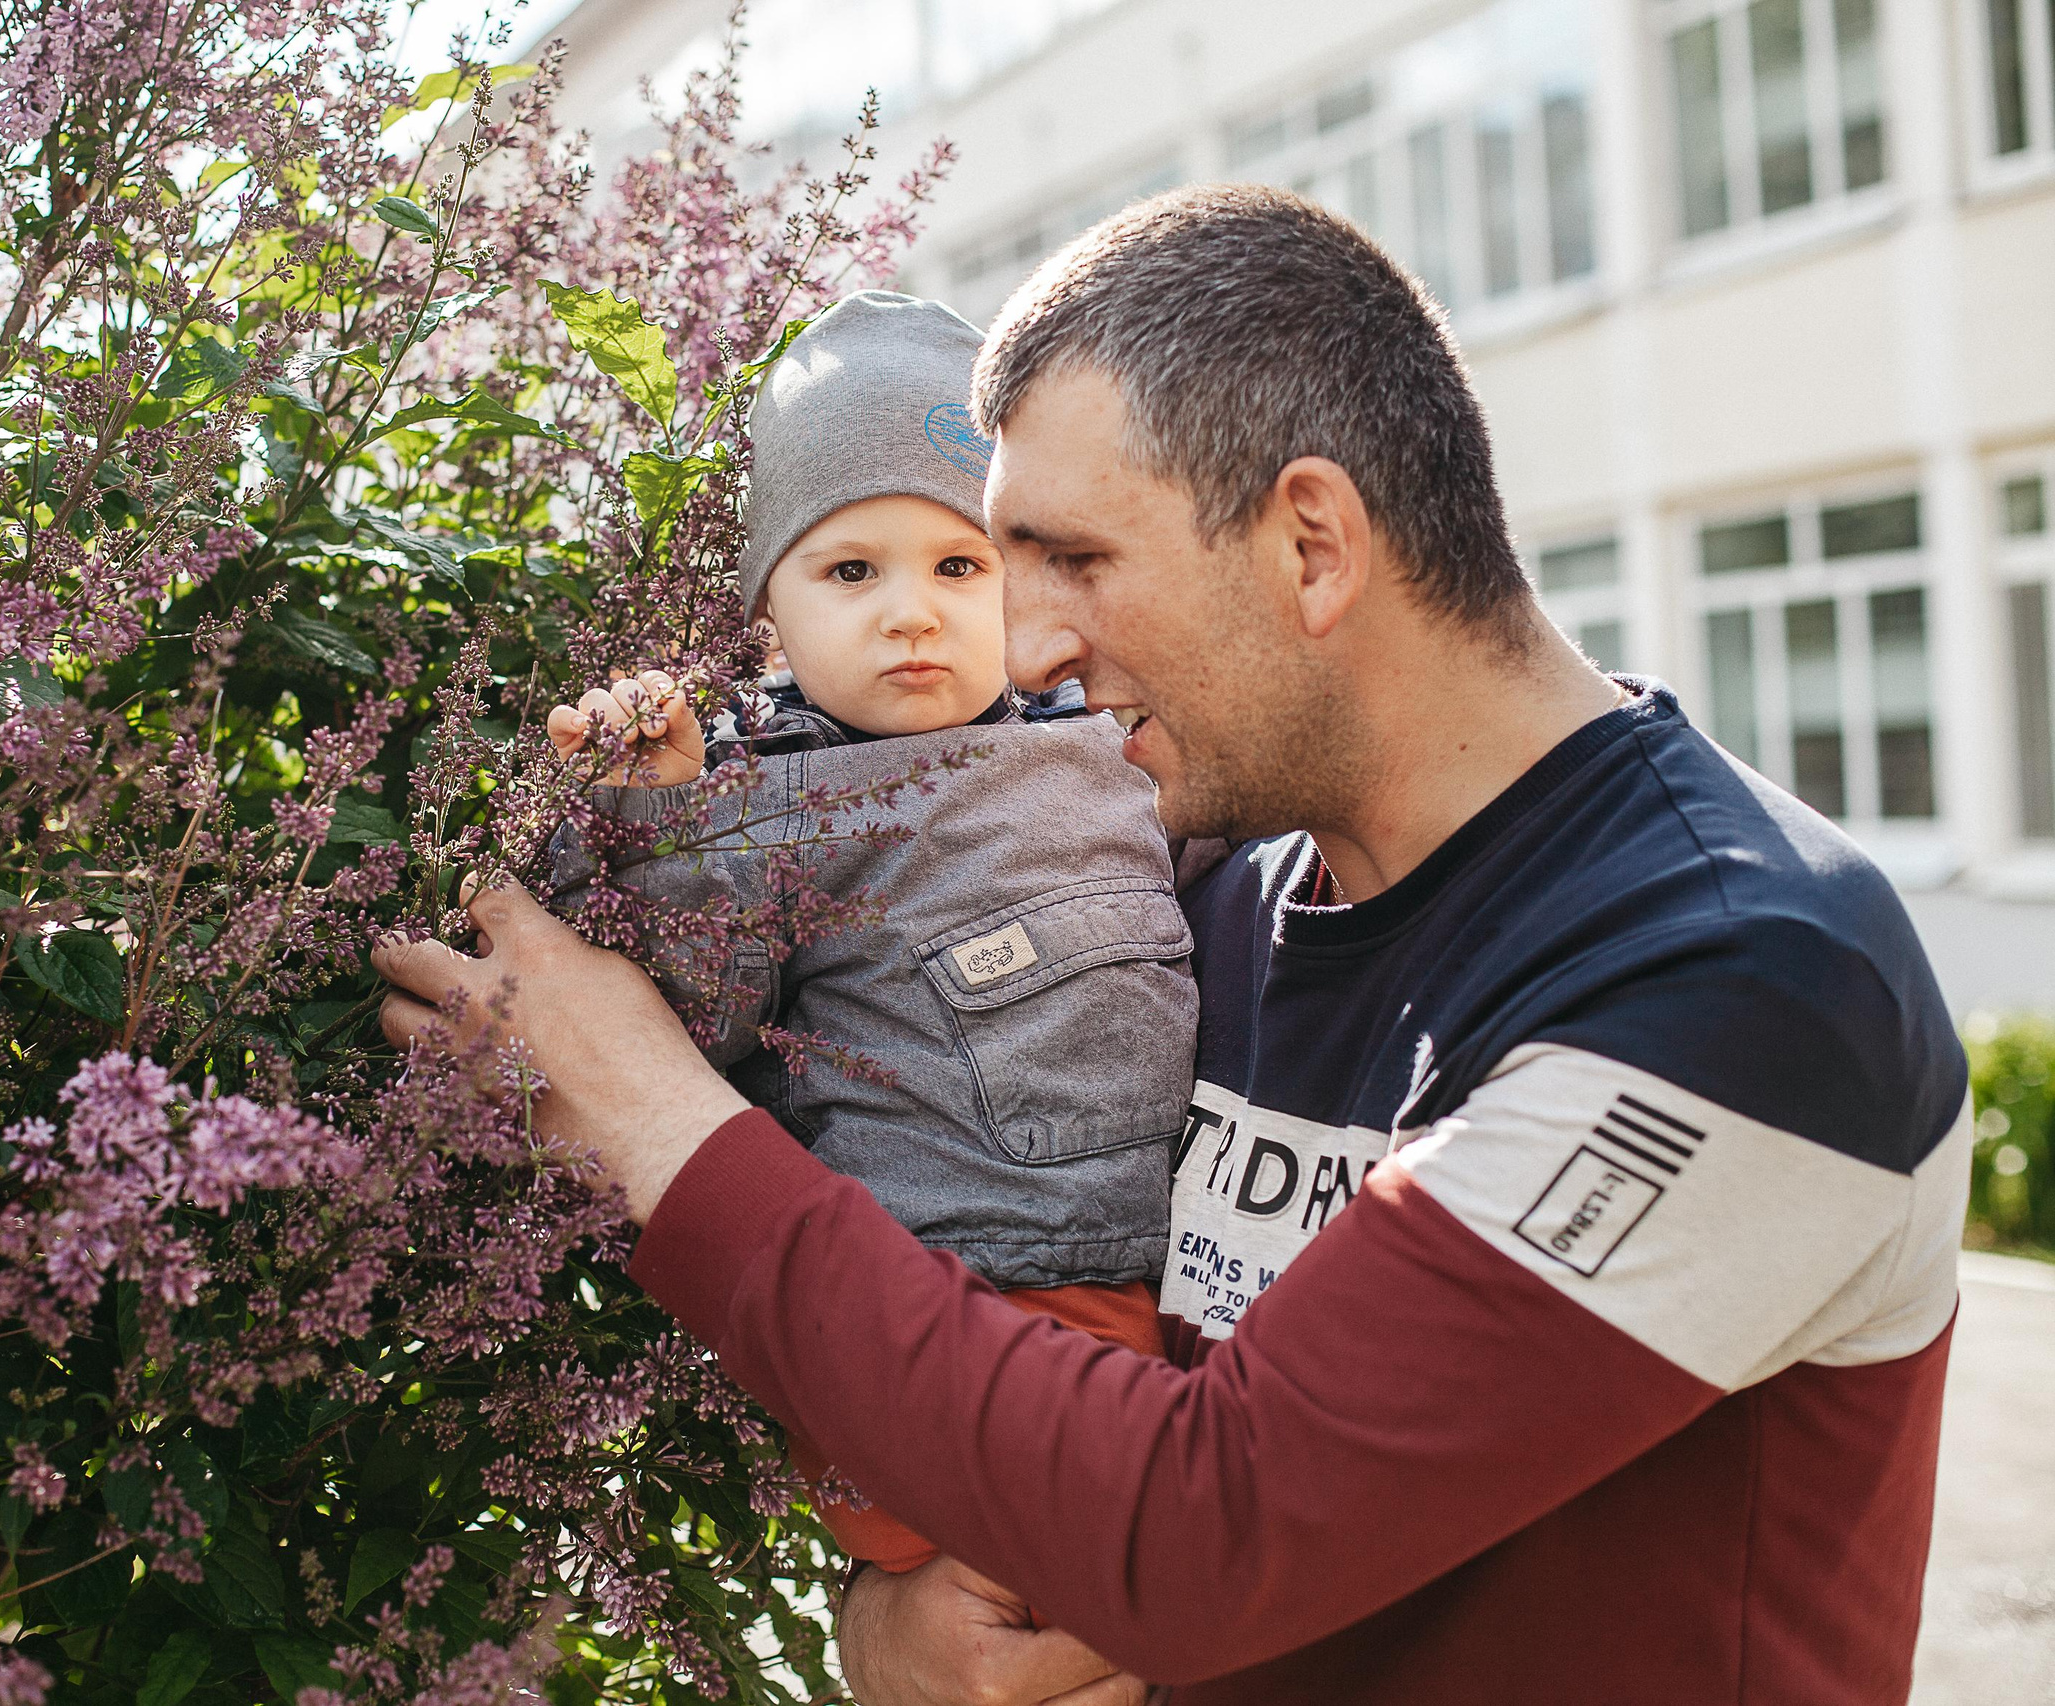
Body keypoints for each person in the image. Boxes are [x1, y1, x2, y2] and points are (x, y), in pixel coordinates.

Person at [376, 187, 1970, 1705]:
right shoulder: (1186, 898)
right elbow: (1011, 1369)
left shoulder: (1742, 975)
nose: (1031, 637)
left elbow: (1200, 1531)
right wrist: (891, 1629)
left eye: (1072, 558)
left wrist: (656, 1121)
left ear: (1312, 545)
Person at [547, 290, 1194, 1574]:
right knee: (1086, 1575)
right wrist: (661, 814)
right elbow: (687, 1028)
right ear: (768, 610)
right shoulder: (757, 791)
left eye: (960, 565)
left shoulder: (1103, 729)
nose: (912, 611)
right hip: (931, 1301)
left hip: (1159, 1281)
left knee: (1173, 1572)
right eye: (852, 570)